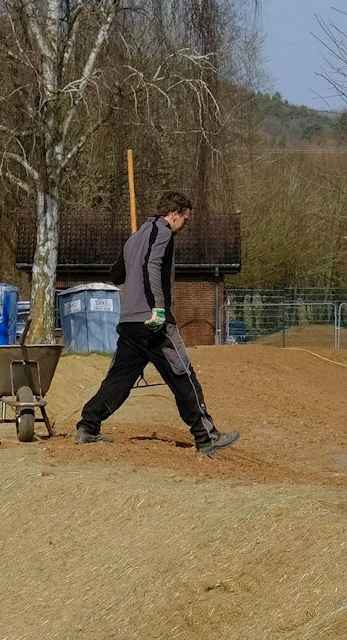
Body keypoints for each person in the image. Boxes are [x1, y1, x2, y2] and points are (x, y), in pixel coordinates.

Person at [75, 191, 240, 455]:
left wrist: (133, 259)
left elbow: (116, 275)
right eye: (185, 219)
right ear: (174, 214)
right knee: (183, 375)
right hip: (154, 323)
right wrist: (158, 310)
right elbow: (151, 266)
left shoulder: (135, 237)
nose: (184, 225)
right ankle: (206, 437)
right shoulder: (162, 233)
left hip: (129, 323)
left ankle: (88, 426)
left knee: (119, 379)